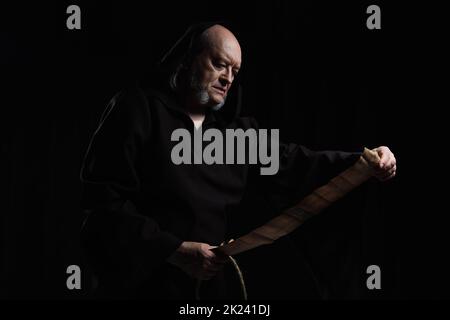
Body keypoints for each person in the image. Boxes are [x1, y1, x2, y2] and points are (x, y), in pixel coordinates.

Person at [79, 23, 396, 299]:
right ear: (189, 60)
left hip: (208, 295)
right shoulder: (138, 110)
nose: (227, 78)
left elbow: (297, 163)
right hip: (140, 290)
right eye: (219, 64)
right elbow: (102, 205)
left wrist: (365, 161)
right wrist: (173, 251)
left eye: (235, 71)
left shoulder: (236, 134)